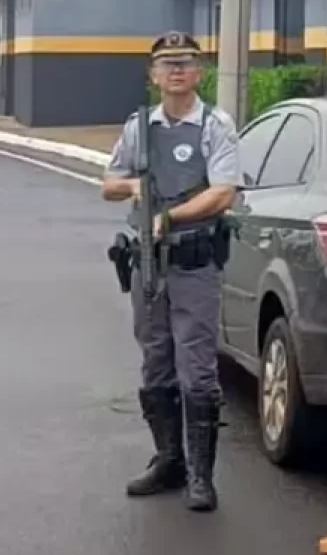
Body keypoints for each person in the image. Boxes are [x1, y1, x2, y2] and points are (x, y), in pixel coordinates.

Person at [101, 31, 240, 512]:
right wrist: (136, 190)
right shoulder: (140, 126)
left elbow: (223, 191)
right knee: (155, 361)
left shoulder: (214, 126)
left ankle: (202, 476)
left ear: (199, 72)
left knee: (197, 368)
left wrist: (171, 217)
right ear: (153, 74)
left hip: (194, 262)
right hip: (147, 266)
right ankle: (169, 461)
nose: (176, 70)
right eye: (166, 63)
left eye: (185, 62)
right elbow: (109, 183)